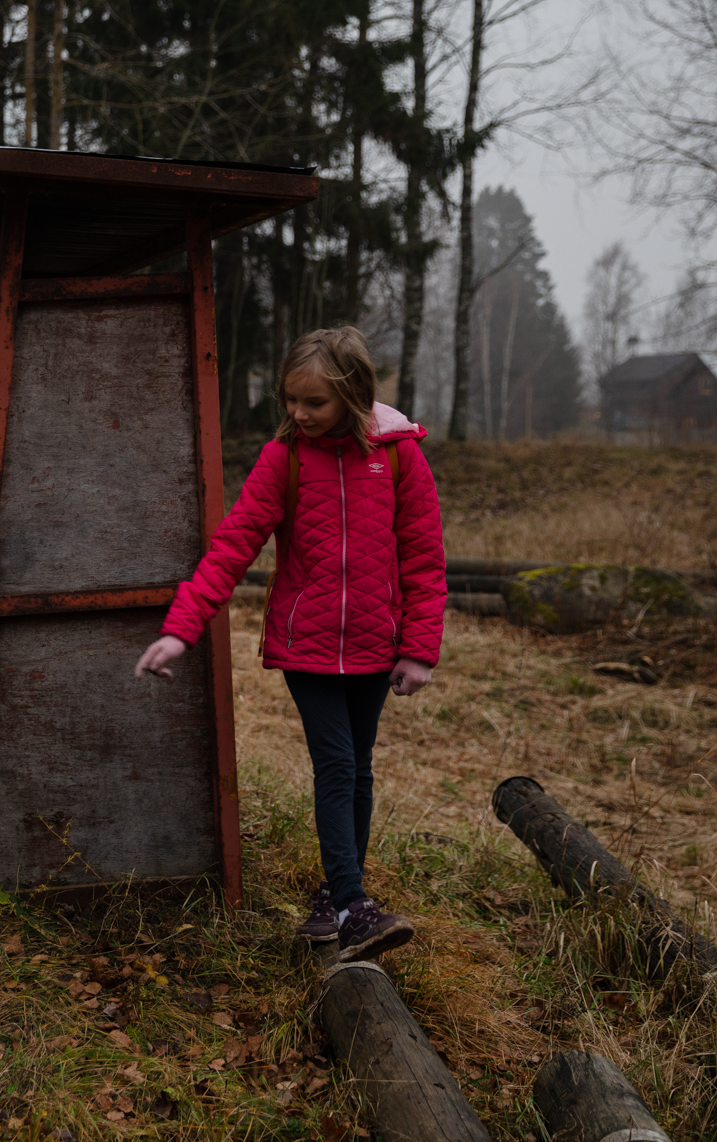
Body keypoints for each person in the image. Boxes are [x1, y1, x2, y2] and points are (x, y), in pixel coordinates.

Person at [135, 326, 445, 964]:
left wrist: (418, 648)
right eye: (290, 400)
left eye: (314, 404)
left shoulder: (400, 457)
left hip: (373, 644)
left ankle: (334, 896)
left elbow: (423, 557)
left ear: (353, 397)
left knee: (358, 770)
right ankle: (356, 907)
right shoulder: (285, 459)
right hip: (306, 646)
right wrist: (181, 628)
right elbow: (233, 545)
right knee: (335, 766)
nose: (298, 414)